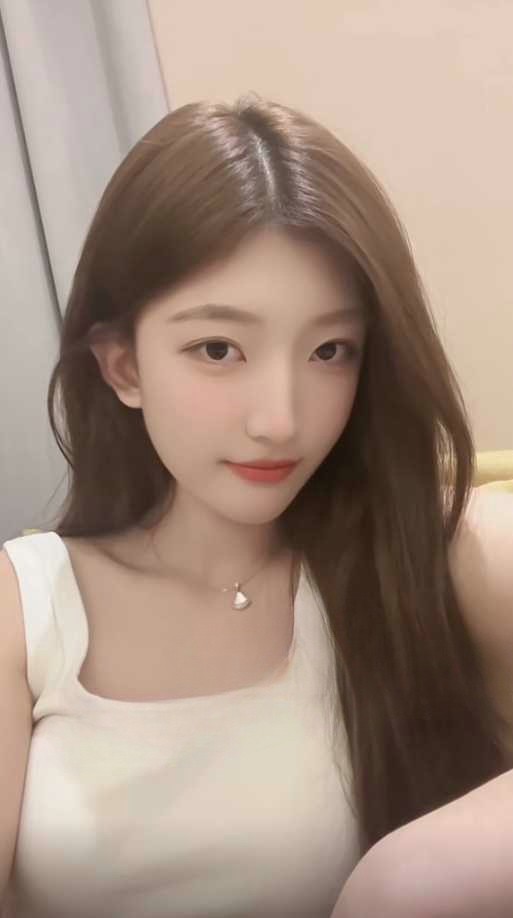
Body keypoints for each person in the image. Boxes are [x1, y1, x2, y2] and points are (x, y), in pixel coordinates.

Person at [1, 93, 512, 918]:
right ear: (123, 365)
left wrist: (412, 879)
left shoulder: (428, 553)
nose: (280, 418)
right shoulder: (24, 609)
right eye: (218, 349)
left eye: (329, 350)